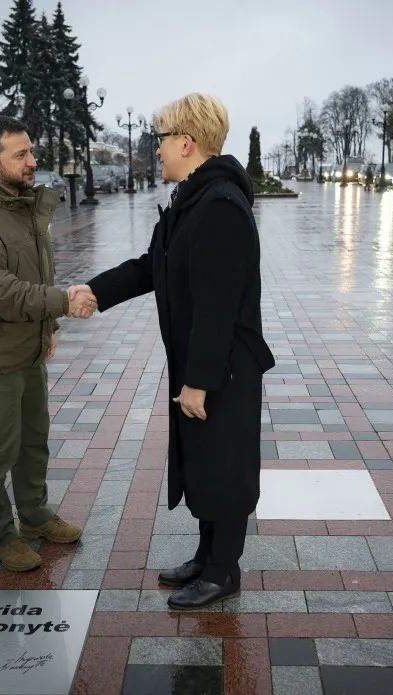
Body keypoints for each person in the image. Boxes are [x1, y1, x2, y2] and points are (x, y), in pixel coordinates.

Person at [78, 93, 275, 609]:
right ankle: (208, 556)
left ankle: (223, 570)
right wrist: (95, 292)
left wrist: (199, 380)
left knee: (225, 463)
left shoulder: (219, 206)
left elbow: (217, 305)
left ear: (186, 142)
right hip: (201, 360)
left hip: (223, 365)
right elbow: (152, 265)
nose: (156, 149)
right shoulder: (193, 199)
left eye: (160, 139)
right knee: (206, 459)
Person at [0, 115, 95, 572]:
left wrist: (49, 327)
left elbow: (35, 272)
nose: (33, 162)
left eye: (31, 151)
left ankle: (34, 515)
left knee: (33, 442)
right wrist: (62, 302)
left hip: (28, 347)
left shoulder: (19, 204)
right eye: (21, 155)